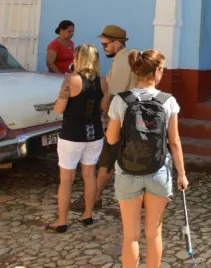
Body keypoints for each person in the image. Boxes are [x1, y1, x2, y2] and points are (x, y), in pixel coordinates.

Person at [105, 49, 188, 268]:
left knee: (131, 236)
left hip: (127, 170)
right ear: (158, 71)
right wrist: (182, 174)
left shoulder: (121, 100)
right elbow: (175, 142)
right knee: (154, 234)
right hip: (158, 171)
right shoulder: (168, 101)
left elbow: (111, 138)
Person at [75, 25, 138, 211]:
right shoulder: (126, 57)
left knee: (107, 159)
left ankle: (94, 197)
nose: (103, 47)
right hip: (127, 114)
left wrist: (106, 118)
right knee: (114, 159)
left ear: (117, 43)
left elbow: (115, 92)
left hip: (119, 115)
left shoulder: (122, 60)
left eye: (105, 44)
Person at [47, 44, 109, 232]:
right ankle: (87, 214)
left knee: (66, 179)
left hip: (72, 135)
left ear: (78, 58)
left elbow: (59, 109)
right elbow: (103, 108)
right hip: (94, 134)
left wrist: (58, 101)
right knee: (90, 175)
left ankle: (62, 221)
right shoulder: (103, 81)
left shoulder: (70, 80)